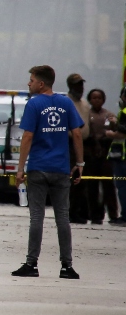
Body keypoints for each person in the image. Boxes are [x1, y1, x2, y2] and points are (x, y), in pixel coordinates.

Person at [14, 65, 83, 279]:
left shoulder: (34, 104)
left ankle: (31, 264)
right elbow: (77, 134)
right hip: (61, 170)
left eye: (32, 80)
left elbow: (27, 137)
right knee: (62, 217)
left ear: (41, 83)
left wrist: (20, 169)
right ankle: (67, 267)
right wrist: (79, 164)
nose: (29, 83)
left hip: (38, 169)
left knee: (37, 217)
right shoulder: (66, 103)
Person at [83, 88, 119, 225]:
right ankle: (94, 214)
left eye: (99, 98)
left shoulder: (108, 115)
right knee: (91, 185)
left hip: (106, 153)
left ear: (103, 100)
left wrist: (114, 123)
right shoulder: (87, 115)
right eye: (93, 98)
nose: (96, 100)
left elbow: (115, 131)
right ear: (90, 99)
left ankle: (113, 214)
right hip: (91, 153)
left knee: (108, 186)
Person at [65, 73, 92, 223]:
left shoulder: (84, 104)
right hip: (69, 143)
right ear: (70, 86)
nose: (80, 87)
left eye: (81, 84)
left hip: (85, 144)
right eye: (76, 84)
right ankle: (70, 211)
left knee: (83, 180)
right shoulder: (65, 102)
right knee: (72, 179)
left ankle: (81, 211)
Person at [104, 87, 126, 226]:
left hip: (122, 157)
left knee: (122, 187)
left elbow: (122, 133)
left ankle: (125, 217)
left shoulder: (124, 112)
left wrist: (110, 134)